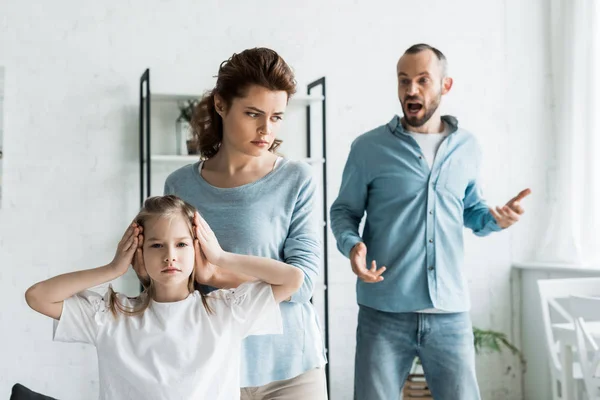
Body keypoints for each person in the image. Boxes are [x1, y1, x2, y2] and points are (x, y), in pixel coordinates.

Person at [330, 43, 531, 400]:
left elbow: (472, 213)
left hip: (449, 313)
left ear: (445, 86)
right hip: (383, 312)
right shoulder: (368, 148)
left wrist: (498, 220)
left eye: (423, 80)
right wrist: (352, 245)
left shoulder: (468, 147)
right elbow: (343, 211)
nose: (411, 90)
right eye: (403, 80)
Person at [133, 47, 328, 399]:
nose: (266, 129)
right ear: (221, 105)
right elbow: (174, 282)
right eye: (253, 113)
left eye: (277, 117)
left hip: (291, 367)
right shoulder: (180, 185)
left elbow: (303, 285)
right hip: (209, 365)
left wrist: (218, 274)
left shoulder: (297, 179)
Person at [25, 195, 303, 400]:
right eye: (156, 245)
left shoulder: (226, 311)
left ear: (196, 249)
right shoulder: (111, 315)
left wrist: (220, 259)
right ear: (139, 252)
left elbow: (293, 279)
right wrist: (112, 269)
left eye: (181, 244)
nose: (170, 255)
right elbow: (37, 296)